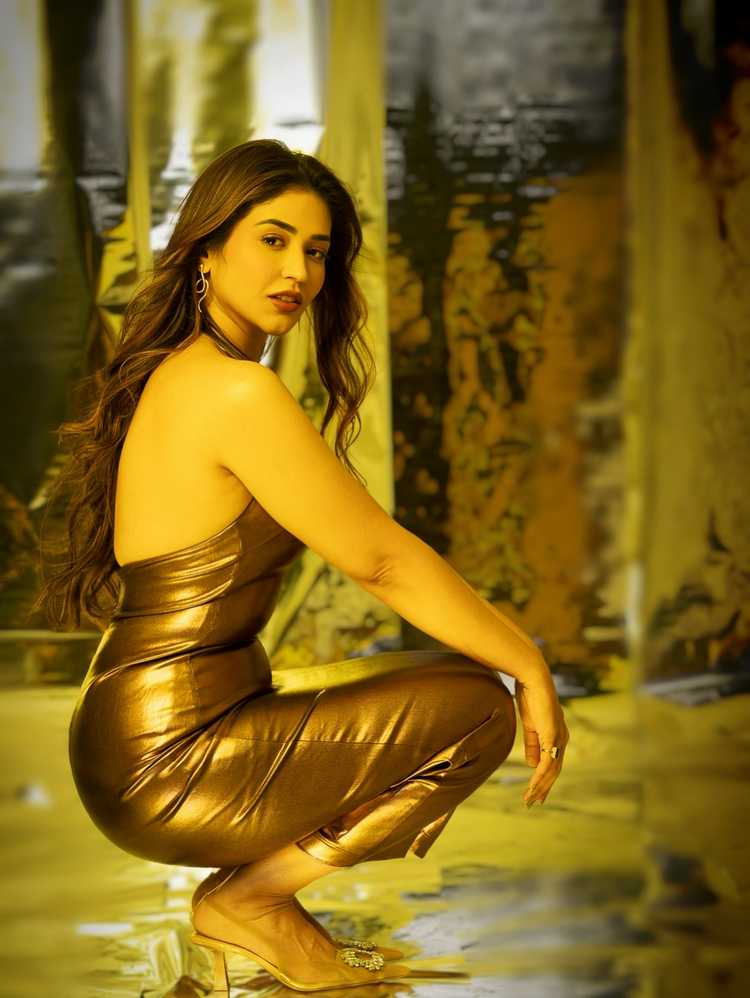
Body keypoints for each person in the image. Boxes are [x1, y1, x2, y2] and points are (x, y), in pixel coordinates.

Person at [34, 139, 569, 993]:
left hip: (139, 730)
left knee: (435, 678)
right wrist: (529, 664)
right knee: (477, 709)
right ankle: (251, 899)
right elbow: (381, 560)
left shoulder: (190, 373)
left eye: (316, 251)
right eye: (273, 240)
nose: (298, 272)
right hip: (169, 755)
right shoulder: (235, 392)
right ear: (207, 249)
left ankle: (251, 902)